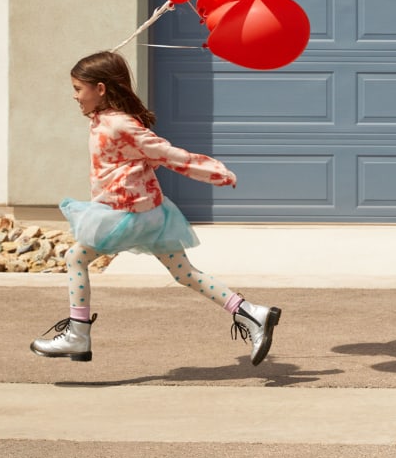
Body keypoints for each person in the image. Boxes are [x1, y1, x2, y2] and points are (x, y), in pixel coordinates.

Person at [30, 50, 283, 364]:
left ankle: (78, 335)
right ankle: (251, 313)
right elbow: (144, 156)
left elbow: (165, 153)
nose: (74, 96)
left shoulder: (119, 124)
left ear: (101, 89)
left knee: (75, 257)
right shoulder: (106, 120)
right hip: (149, 213)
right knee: (185, 273)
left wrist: (214, 171)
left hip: (130, 214)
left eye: (79, 89)